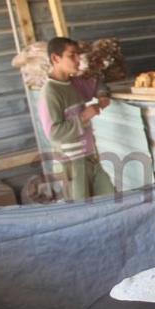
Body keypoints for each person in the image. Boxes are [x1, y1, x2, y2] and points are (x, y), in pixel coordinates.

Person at [38, 37, 115, 201]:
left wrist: (102, 96)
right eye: (72, 55)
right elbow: (54, 133)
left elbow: (98, 83)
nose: (78, 59)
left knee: (110, 199)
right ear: (55, 58)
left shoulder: (74, 83)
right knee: (82, 210)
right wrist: (84, 116)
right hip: (70, 164)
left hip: (90, 158)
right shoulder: (50, 92)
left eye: (78, 55)